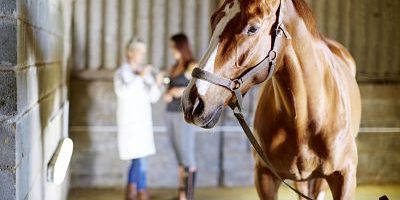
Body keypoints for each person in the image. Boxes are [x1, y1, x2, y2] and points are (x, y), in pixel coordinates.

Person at [114, 38, 161, 200]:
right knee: (140, 159)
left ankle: (132, 191)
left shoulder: (144, 73)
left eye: (144, 52)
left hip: (143, 123)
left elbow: (153, 97)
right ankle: (141, 191)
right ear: (130, 53)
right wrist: (140, 77)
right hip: (129, 123)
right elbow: (123, 92)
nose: (142, 55)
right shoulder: (121, 73)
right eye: (140, 52)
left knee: (138, 158)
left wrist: (156, 83)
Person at [164, 33, 197, 200]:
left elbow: (200, 87)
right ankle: (181, 194)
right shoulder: (175, 65)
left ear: (181, 46)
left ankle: (188, 196)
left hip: (183, 114)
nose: (171, 50)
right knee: (178, 154)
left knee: (187, 155)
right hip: (169, 112)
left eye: (173, 47)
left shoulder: (192, 65)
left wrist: (180, 91)